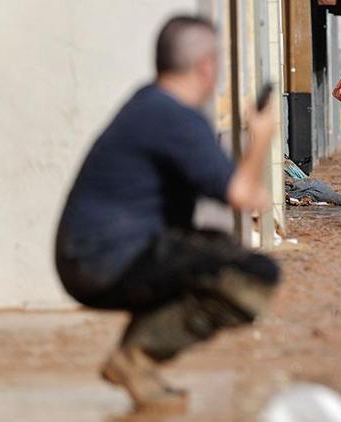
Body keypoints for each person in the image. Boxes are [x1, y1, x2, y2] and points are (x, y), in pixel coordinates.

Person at [55, 16, 280, 412]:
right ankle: (135, 356)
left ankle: (137, 366)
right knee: (251, 275)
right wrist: (261, 137)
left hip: (91, 256)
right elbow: (243, 195)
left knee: (213, 250)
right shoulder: (173, 116)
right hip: (104, 260)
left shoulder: (152, 104)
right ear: (206, 65)